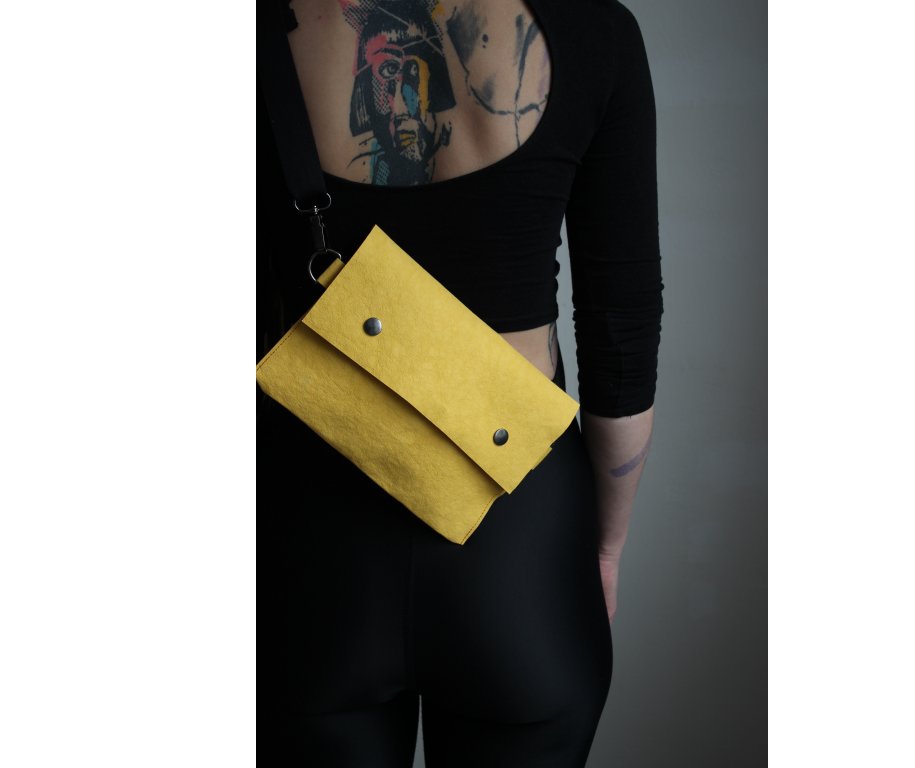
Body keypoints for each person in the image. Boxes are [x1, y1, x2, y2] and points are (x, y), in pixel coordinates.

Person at [257, 0, 663, 764]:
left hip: (307, 539)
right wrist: (605, 547)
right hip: (521, 538)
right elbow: (620, 341)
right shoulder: (595, 29)